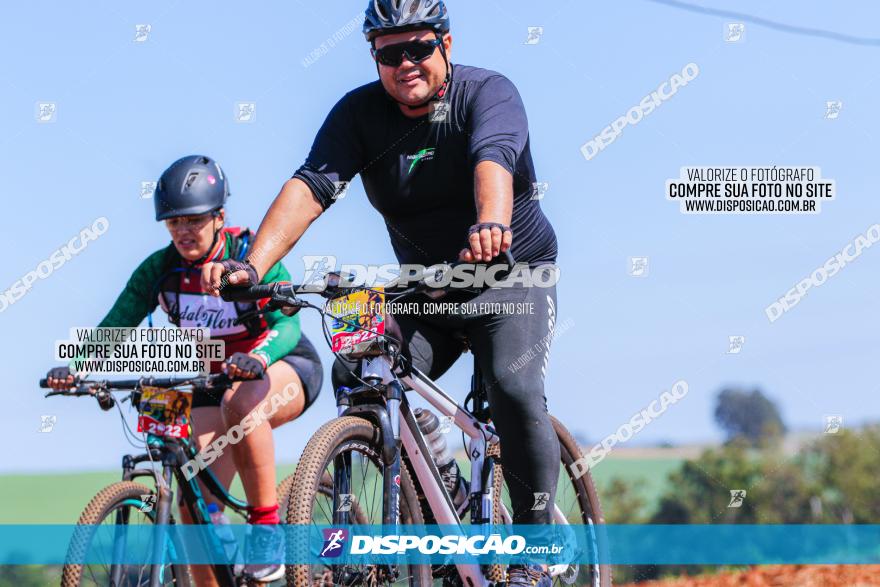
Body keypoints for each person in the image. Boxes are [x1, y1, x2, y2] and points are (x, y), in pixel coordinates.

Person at [203, 1, 561, 584]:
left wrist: (491, 222)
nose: (405, 64)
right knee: (358, 365)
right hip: (425, 292)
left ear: (446, 43)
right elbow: (313, 184)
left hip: (509, 277)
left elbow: (492, 160)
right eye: (390, 54)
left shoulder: (488, 94)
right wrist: (254, 265)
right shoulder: (360, 115)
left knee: (515, 389)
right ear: (374, 56)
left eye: (418, 48)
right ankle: (432, 489)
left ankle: (535, 554)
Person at [46, 155, 323, 584]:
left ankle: (266, 531)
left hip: (281, 364)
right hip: (212, 382)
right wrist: (76, 369)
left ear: (219, 217)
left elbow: (288, 324)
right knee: (193, 503)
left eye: (194, 221)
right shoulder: (161, 270)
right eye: (173, 223)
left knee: (242, 401)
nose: (183, 231)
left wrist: (258, 359)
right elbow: (115, 326)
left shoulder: (246, 255)